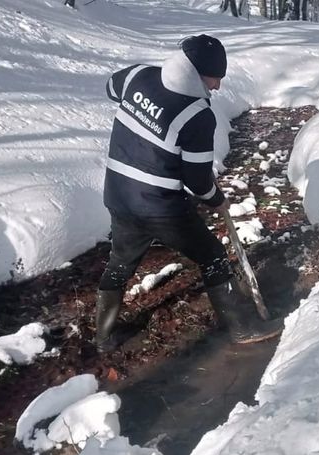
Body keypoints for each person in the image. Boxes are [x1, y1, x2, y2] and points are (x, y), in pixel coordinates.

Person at [95, 34, 281, 352]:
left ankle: (103, 338)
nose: (217, 87)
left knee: (121, 262)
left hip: (119, 193)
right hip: (160, 206)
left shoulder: (139, 75)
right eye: (213, 78)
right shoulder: (197, 115)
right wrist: (216, 199)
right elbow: (196, 179)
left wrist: (145, 111)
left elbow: (112, 87)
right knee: (212, 256)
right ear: (195, 73)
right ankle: (241, 329)